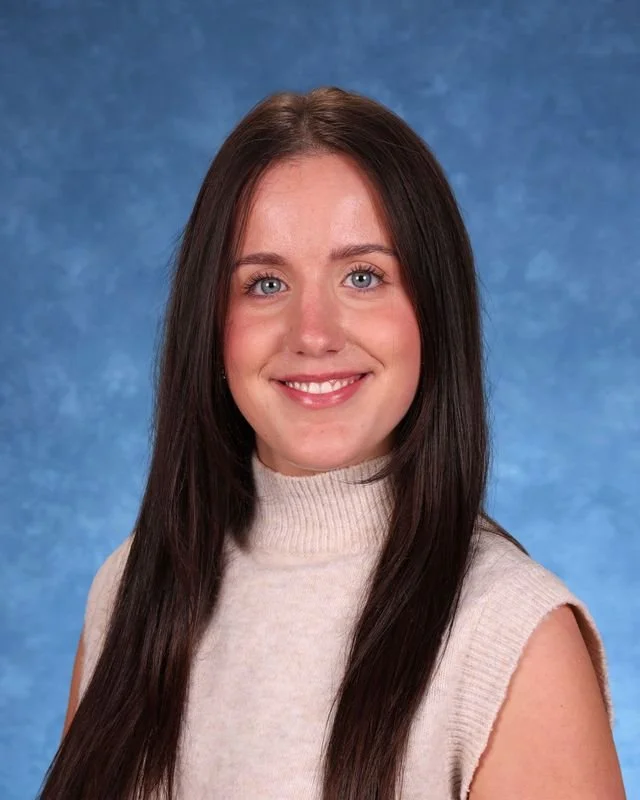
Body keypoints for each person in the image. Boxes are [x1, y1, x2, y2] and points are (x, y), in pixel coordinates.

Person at [38, 87, 626, 799]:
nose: (312, 333)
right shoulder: (131, 590)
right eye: (264, 283)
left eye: (363, 276)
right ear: (210, 322)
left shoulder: (511, 638)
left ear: (434, 312)